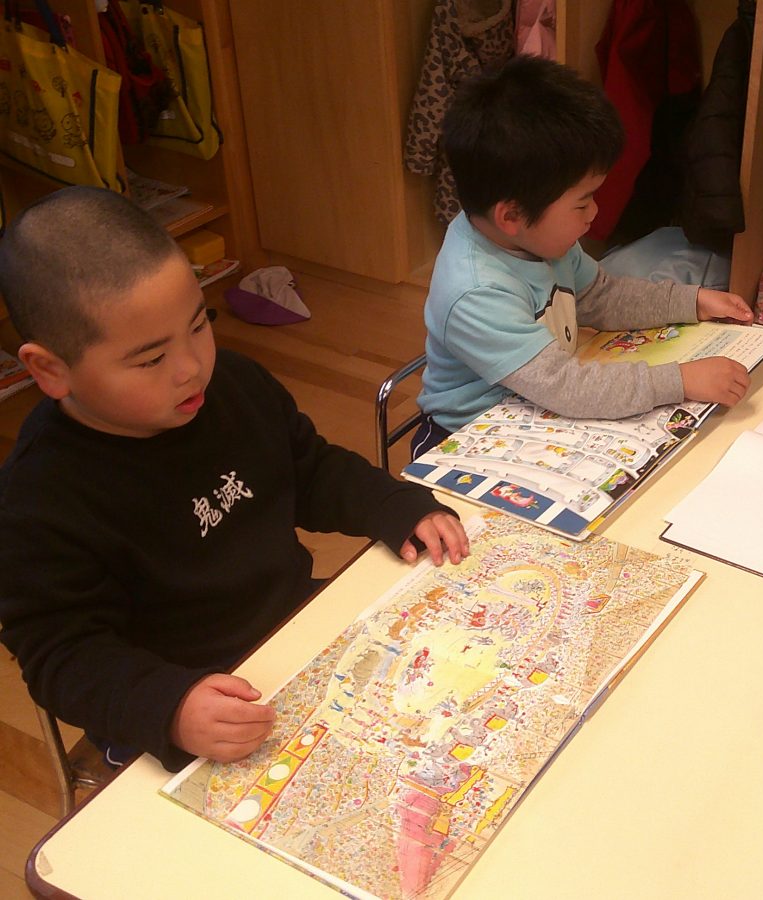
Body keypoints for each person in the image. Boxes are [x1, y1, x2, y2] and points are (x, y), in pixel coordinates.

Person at [0, 187, 470, 772]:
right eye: (151, 359)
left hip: (292, 628)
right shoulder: (37, 501)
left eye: (199, 324)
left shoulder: (234, 385)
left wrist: (396, 504)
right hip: (173, 708)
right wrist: (170, 708)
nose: (192, 367)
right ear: (49, 369)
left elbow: (309, 469)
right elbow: (62, 656)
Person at [413, 54, 754, 457]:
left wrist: (692, 301)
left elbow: (601, 296)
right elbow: (565, 386)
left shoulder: (538, 238)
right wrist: (680, 380)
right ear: (512, 216)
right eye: (582, 202)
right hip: (469, 440)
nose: (594, 212)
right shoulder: (475, 290)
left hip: (535, 410)